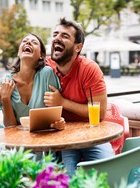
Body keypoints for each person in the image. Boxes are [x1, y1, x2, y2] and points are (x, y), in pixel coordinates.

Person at [44, 18, 114, 177]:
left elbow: (100, 113)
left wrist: (62, 102)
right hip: (60, 135)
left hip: (91, 132)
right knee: (64, 178)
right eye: (55, 34)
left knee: (110, 172)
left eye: (65, 36)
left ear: (78, 47)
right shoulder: (45, 67)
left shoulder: (89, 69)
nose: (57, 38)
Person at [0, 33, 65, 131]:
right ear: (18, 53)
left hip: (44, 136)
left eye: (34, 42)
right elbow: (10, 128)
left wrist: (58, 123)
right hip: (18, 140)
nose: (28, 42)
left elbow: (55, 117)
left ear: (41, 55)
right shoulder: (6, 83)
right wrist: (5, 98)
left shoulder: (47, 74)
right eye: (24, 41)